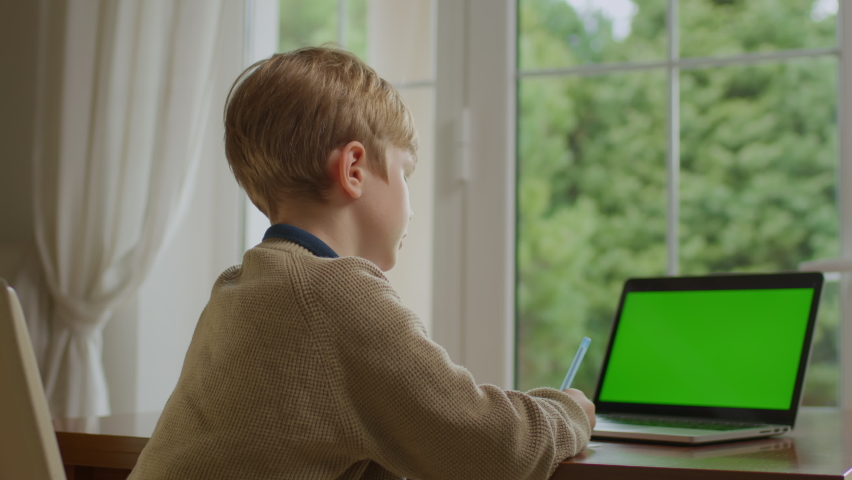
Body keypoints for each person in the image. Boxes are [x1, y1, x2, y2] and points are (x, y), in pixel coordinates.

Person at [128, 46, 595, 480]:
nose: (411, 206)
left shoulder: (237, 290)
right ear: (354, 169)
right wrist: (568, 410)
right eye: (404, 173)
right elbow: (494, 449)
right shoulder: (337, 294)